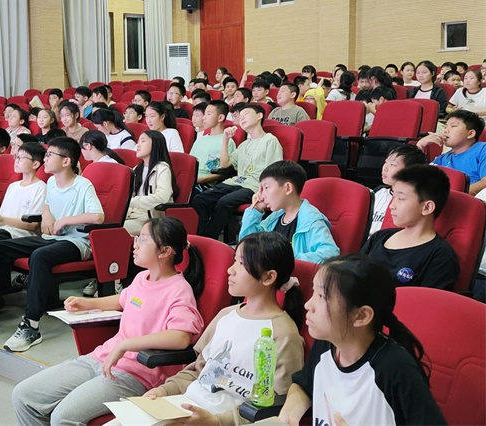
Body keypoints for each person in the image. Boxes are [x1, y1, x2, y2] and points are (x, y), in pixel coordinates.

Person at [12, 217, 205, 424]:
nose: (135, 244)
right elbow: (123, 300)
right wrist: (87, 303)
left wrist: (126, 344)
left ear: (165, 251)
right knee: (23, 396)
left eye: (142, 239)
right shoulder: (142, 278)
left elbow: (180, 337)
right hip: (103, 357)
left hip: (136, 373)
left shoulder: (179, 290)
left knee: (63, 417)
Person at [145, 232, 305, 425]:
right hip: (185, 406)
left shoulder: (284, 334)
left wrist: (216, 421)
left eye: (241, 264)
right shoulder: (226, 315)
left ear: (268, 277)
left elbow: (275, 407)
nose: (230, 270)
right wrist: (164, 390)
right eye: (234, 261)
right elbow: (199, 371)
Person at [278, 253, 446, 426]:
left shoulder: (396, 368)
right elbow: (304, 385)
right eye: (314, 292)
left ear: (361, 316)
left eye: (322, 297)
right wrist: (290, 412)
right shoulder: (327, 343)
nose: (308, 305)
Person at [0, 137, 105, 351]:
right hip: (51, 238)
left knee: (39, 256)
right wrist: (47, 215)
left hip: (77, 241)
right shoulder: (51, 182)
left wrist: (65, 221)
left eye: (50, 155)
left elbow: (98, 217)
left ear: (66, 161)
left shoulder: (82, 184)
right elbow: (48, 205)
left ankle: (31, 325)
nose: (45, 159)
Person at [0, 142, 48, 327]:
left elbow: (32, 225)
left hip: (21, 234)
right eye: (16, 157)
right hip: (2, 230)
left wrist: (0, 219)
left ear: (35, 164)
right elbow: (1, 219)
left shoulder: (41, 188)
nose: (16, 161)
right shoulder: (13, 186)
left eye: (21, 158)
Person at [193, 104, 283, 240]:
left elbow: (275, 172)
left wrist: (264, 192)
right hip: (236, 182)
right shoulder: (244, 144)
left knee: (224, 202)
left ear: (259, 116)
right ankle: (200, 237)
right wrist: (225, 139)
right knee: (200, 199)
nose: (242, 118)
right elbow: (225, 165)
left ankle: (207, 239)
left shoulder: (270, 140)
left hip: (254, 185)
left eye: (246, 114)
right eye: (240, 117)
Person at [361, 165, 459, 289]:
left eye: (401, 198)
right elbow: (353, 274)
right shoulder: (380, 236)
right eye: (393, 197)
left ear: (427, 207)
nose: (392, 206)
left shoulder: (440, 255)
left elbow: (428, 299)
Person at [240, 160, 339, 263]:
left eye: (266, 188)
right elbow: (247, 247)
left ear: (287, 188)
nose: (262, 194)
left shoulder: (311, 220)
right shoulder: (274, 219)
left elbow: (330, 253)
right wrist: (255, 210)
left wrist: (288, 260)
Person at [416, 110, 486, 195]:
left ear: (470, 134)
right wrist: (420, 145)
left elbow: (484, 183)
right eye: (445, 127)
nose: (445, 131)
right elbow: (418, 178)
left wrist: (451, 197)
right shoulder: (443, 158)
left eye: (453, 126)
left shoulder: (482, 149)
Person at [124, 130, 177, 236]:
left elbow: (162, 197)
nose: (138, 145)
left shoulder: (162, 169)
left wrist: (133, 201)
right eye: (138, 141)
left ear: (155, 144)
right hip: (131, 215)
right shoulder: (137, 169)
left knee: (114, 230)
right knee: (105, 225)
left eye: (143, 141)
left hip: (150, 219)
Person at [370, 145, 428, 235]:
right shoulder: (378, 192)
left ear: (410, 171)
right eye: (386, 162)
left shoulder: (413, 202)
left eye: (392, 165)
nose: (385, 168)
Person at [190, 100, 236, 187]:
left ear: (220, 118)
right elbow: (190, 164)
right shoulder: (200, 140)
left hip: (204, 185)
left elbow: (226, 172)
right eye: (204, 114)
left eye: (208, 114)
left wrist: (199, 180)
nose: (204, 118)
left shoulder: (227, 141)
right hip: (190, 179)